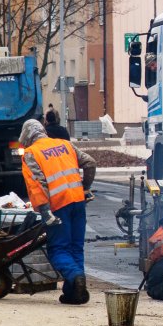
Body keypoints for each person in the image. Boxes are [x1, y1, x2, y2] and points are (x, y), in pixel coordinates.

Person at [19, 119, 97, 305]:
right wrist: (84, 187)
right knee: (75, 247)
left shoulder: (32, 153)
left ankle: (76, 276)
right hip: (78, 202)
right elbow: (90, 163)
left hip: (58, 206)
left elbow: (37, 185)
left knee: (59, 249)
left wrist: (45, 211)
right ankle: (74, 294)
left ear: (27, 136)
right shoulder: (65, 145)